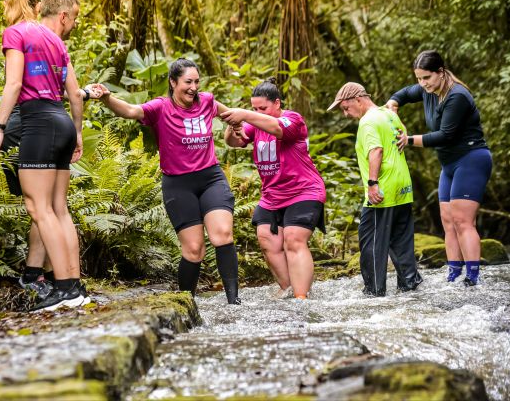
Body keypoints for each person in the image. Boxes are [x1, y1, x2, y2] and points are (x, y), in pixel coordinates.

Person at [92, 58, 241, 304]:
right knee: (194, 250)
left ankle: (234, 304)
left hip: (211, 178)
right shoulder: (160, 108)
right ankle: (185, 304)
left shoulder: (207, 100)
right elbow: (131, 111)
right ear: (173, 82)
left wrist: (239, 127)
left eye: (196, 82)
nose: (193, 87)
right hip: (179, 185)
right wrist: (107, 98)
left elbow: (231, 115)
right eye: (187, 82)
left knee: (222, 234)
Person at [0, 0, 98, 302]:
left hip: (38, 122)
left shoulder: (16, 33)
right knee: (58, 209)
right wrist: (78, 132)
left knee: (39, 208)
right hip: (61, 121)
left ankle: (64, 289)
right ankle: (75, 287)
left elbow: (14, 84)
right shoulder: (56, 41)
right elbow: (75, 94)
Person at [386, 50, 492, 286]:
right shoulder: (427, 90)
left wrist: (408, 140)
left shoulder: (458, 96)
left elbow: (445, 135)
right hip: (450, 164)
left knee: (463, 220)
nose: (423, 84)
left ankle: (472, 277)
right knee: (447, 219)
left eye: (427, 78)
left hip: (471, 159)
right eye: (419, 79)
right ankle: (453, 275)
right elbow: (402, 94)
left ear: (441, 73)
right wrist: (393, 103)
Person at [222, 78, 325, 299]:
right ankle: (289, 289)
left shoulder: (292, 119)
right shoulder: (255, 123)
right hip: (272, 195)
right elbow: (233, 142)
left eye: (263, 108)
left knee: (293, 238)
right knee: (266, 239)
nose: (258, 112)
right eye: (254, 108)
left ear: (277, 103)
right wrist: (233, 126)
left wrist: (246, 114)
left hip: (304, 190)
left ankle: (301, 298)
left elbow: (278, 130)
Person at [329, 82, 422, 297]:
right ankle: (410, 285)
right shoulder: (388, 114)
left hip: (383, 191)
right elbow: (402, 135)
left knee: (370, 241)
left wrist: (372, 184)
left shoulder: (368, 121)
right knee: (401, 240)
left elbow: (376, 150)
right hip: (403, 187)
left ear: (358, 100)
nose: (345, 114)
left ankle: (374, 292)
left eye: (345, 107)